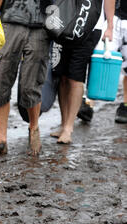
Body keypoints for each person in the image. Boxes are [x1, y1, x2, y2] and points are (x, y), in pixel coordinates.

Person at [0, 0, 50, 156]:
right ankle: (1, 140)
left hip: (41, 25)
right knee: (1, 80)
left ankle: (34, 129)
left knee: (31, 85)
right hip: (10, 21)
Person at [50, 0, 115, 144]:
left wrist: (110, 26)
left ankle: (69, 128)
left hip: (90, 27)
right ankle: (63, 123)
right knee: (63, 76)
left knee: (75, 76)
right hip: (65, 22)